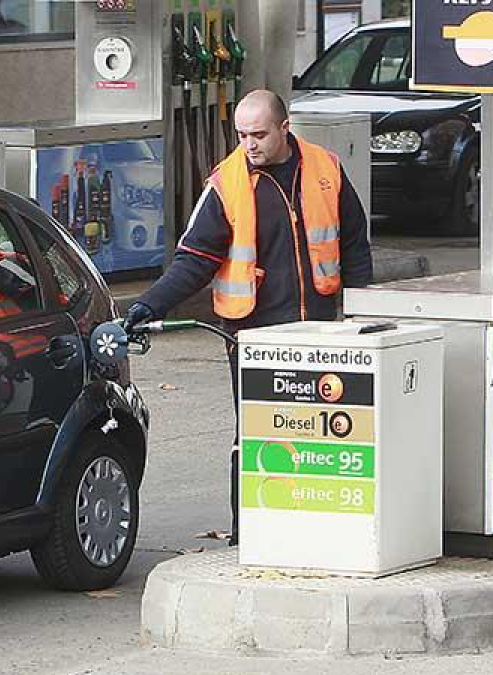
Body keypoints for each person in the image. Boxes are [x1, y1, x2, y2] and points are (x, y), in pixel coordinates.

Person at [123, 90, 373, 546]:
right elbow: (194, 260)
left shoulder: (325, 169)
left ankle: (321, 526)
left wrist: (362, 313)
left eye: (258, 134)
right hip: (253, 335)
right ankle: (250, 533)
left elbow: (355, 246)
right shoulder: (227, 184)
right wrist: (150, 303)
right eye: (241, 134)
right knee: (258, 434)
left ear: (284, 128)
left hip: (320, 330)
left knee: (324, 432)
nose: (249, 144)